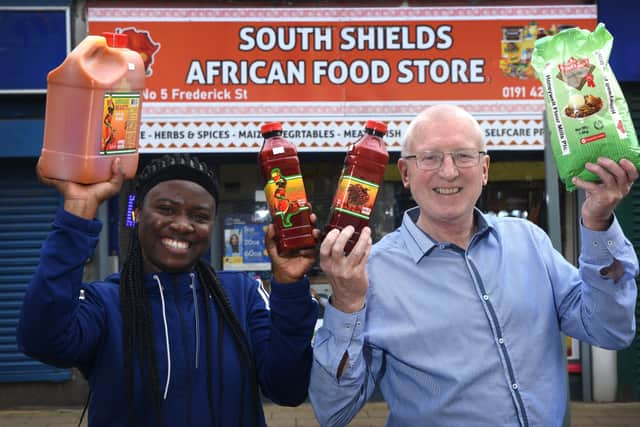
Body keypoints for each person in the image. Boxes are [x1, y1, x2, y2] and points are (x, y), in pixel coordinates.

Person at [309, 104, 639, 427]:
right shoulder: (372, 272)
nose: (449, 171)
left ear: (484, 169)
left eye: (464, 155)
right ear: (405, 174)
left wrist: (598, 225)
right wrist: (348, 304)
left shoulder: (530, 243)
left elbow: (609, 329)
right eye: (430, 157)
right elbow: (333, 411)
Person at [17, 154, 319, 427]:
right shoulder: (105, 302)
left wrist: (290, 285)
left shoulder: (241, 294)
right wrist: (79, 212)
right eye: (166, 209)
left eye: (199, 216)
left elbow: (287, 388)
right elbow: (42, 341)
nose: (183, 225)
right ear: (136, 215)